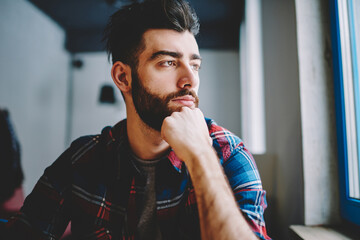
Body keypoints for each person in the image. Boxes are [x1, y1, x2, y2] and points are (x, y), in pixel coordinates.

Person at [3, 0, 271, 239]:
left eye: (195, 64)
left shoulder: (229, 154)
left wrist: (201, 154)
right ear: (123, 77)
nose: (191, 79)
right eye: (168, 62)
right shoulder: (82, 161)